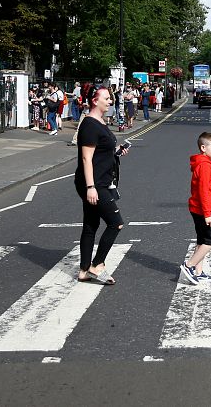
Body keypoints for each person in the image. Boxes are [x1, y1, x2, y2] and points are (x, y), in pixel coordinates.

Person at [75, 85, 129, 285]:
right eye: (106, 98)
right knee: (116, 223)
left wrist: (116, 151)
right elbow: (86, 158)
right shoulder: (89, 124)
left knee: (91, 225)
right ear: (95, 101)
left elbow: (100, 152)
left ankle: (83, 270)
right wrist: (91, 187)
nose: (110, 101)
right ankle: (97, 265)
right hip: (95, 184)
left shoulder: (99, 122)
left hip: (100, 181)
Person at [180, 132, 211, 284]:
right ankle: (189, 265)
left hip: (198, 208)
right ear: (203, 148)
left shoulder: (204, 163)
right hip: (202, 210)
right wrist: (207, 214)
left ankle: (198, 272)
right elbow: (203, 191)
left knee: (202, 240)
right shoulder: (204, 165)